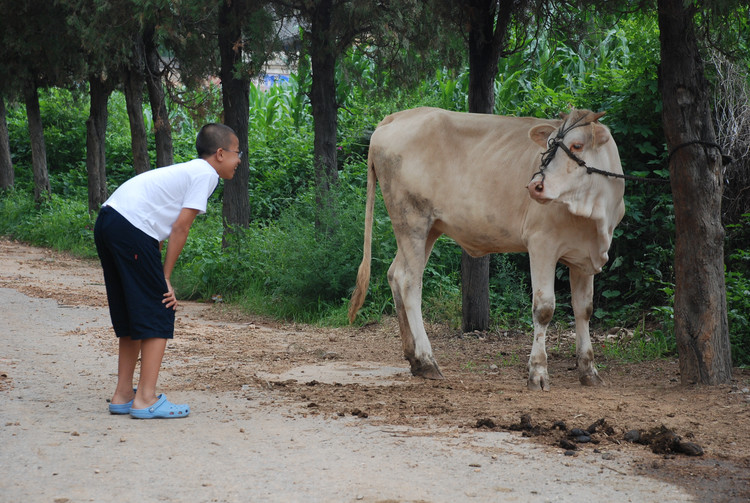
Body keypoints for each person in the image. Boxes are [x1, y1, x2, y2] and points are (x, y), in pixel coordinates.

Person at [94, 123, 241, 419]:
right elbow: (181, 227)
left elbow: (160, 216)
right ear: (221, 154)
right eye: (238, 153)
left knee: (133, 311)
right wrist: (166, 277)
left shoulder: (188, 171)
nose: (240, 160)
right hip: (131, 227)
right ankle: (146, 398)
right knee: (159, 308)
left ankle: (123, 394)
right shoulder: (205, 174)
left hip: (110, 221)